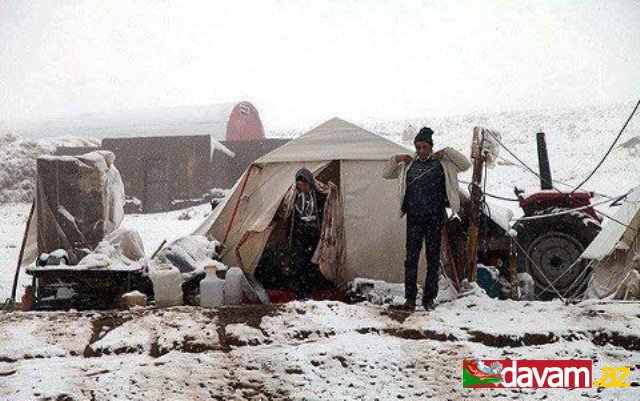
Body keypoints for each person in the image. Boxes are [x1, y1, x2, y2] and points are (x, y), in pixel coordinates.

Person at [383, 127, 471, 310]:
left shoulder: (443, 163)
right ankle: (410, 298)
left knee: (433, 259)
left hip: (434, 217)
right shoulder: (408, 165)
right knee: (411, 259)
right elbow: (386, 173)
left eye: (424, 147)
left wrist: (446, 151)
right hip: (414, 217)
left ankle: (429, 298)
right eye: (418, 147)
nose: (421, 151)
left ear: (431, 147)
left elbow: (465, 165)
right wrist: (397, 158)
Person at [289, 168, 332, 299]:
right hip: (300, 232)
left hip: (313, 232)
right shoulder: (294, 196)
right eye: (300, 185)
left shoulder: (318, 195)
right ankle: (300, 291)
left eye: (304, 185)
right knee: (299, 262)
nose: (302, 188)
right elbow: (291, 215)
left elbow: (328, 203)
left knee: (313, 261)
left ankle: (311, 290)